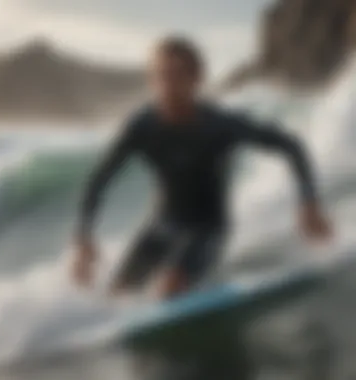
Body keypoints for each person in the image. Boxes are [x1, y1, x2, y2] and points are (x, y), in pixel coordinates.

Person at [72, 36, 332, 299]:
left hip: (207, 229)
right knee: (117, 296)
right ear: (152, 81)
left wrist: (309, 203)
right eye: (161, 76)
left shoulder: (220, 125)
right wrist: (83, 239)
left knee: (169, 287)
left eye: (177, 75)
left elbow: (290, 145)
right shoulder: (142, 127)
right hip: (160, 226)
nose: (168, 85)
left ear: (197, 78)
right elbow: (98, 181)